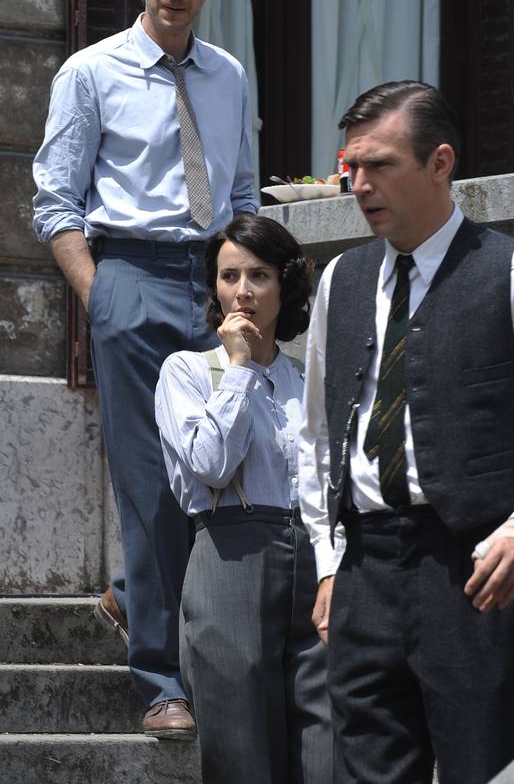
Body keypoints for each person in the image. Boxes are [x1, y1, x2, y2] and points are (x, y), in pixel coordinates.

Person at [32, 0, 257, 737]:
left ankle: (130, 597)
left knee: (221, 470)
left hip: (210, 280)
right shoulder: (89, 73)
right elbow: (54, 201)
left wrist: (242, 290)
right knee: (148, 483)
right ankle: (161, 682)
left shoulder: (229, 74)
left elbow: (240, 195)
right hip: (127, 271)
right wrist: (101, 297)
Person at [299, 80, 514, 784]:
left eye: (380, 166)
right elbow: (314, 434)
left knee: (480, 768)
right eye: (351, 167)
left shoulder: (509, 270)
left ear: (439, 163)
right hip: (365, 569)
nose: (359, 185)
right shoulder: (339, 279)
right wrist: (329, 560)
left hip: (473, 570)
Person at [155, 213, 332, 784]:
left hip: (313, 557)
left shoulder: (310, 378)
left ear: (285, 285)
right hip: (230, 555)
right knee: (241, 755)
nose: (243, 291)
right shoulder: (187, 371)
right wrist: (238, 369)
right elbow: (210, 466)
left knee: (326, 750)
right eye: (229, 276)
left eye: (258, 275)